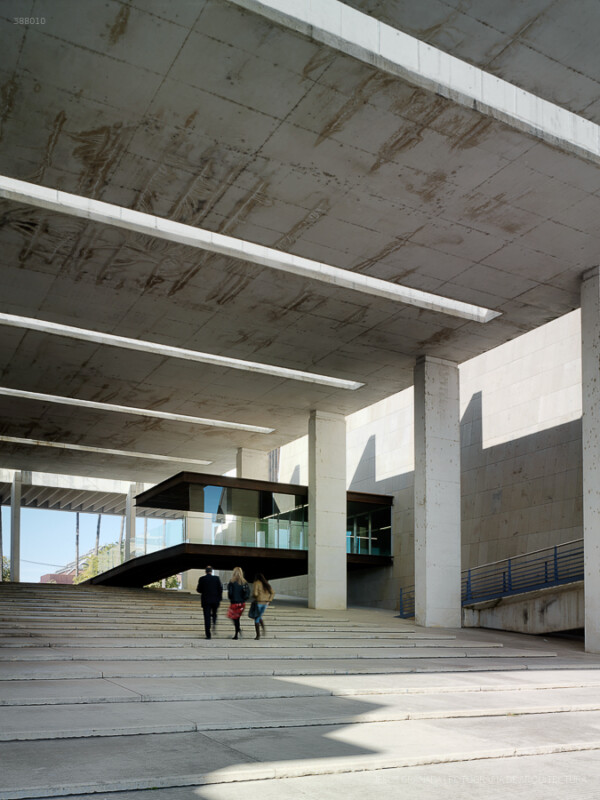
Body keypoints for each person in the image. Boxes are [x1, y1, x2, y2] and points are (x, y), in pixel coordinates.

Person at [196, 566, 223, 640]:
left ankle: (208, 635)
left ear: (205, 571)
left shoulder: (202, 579)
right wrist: (219, 598)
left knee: (207, 617)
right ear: (211, 571)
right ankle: (214, 623)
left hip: (206, 601)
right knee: (214, 614)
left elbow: (199, 589)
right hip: (215, 600)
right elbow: (220, 589)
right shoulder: (216, 578)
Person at [227, 566, 250, 640]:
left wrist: (231, 598)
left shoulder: (231, 582)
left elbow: (230, 593)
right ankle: (237, 631)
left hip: (234, 603)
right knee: (237, 618)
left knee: (233, 617)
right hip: (241, 603)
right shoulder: (244, 582)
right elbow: (247, 593)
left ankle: (237, 632)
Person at [251, 573, 275, 640]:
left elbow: (255, 593)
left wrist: (253, 595)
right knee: (259, 616)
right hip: (265, 604)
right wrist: (269, 600)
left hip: (259, 602)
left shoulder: (256, 583)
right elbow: (273, 592)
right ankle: (263, 629)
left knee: (257, 618)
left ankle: (258, 635)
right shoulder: (266, 583)